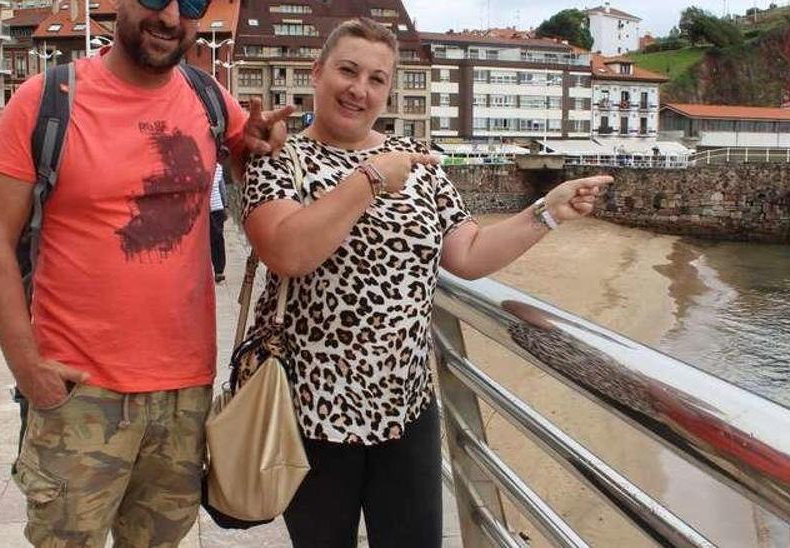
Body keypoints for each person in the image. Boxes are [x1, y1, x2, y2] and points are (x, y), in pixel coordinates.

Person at [240, 17, 611, 548]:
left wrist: (546, 212)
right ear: (317, 72)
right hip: (311, 416)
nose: (358, 89)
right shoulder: (280, 159)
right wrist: (368, 181)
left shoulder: (418, 165)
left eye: (376, 79)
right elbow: (288, 252)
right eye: (347, 71)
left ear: (389, 90)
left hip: (407, 410)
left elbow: (467, 253)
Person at [0, 0, 293, 543]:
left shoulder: (207, 96)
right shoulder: (45, 101)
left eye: (189, 4)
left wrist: (259, 143)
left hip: (184, 390)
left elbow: (249, 149)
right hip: (80, 391)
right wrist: (29, 370)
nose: (170, 16)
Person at [209, 164, 227, 282]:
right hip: (204, 210)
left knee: (217, 239)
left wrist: (225, 205)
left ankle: (219, 271)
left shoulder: (218, 167)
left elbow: (222, 189)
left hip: (216, 209)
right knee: (215, 240)